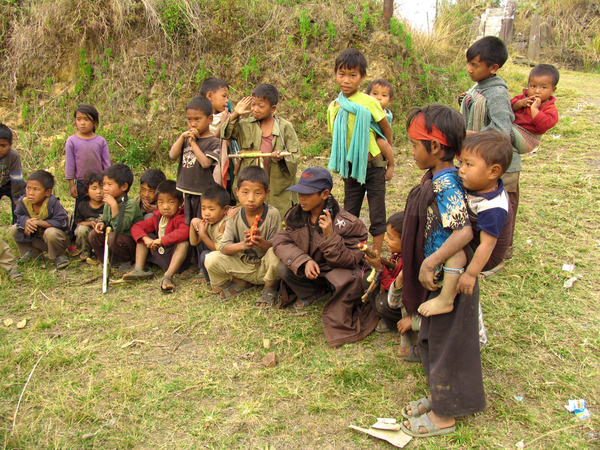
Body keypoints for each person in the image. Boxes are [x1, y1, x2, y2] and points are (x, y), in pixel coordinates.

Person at [400, 104, 485, 438]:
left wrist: (430, 261)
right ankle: (439, 397)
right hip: (438, 279)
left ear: (434, 147)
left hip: (449, 280)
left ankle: (444, 416)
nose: (410, 151)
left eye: (413, 144)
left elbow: (463, 232)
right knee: (434, 339)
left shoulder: (446, 183)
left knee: (449, 345)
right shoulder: (436, 177)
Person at [273, 167, 378, 347]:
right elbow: (281, 241)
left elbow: (350, 261)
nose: (301, 198)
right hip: (314, 272)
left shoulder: (351, 224)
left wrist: (331, 236)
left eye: (307, 193)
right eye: (299, 193)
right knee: (284, 268)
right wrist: (304, 260)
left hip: (335, 271)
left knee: (349, 278)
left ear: (325, 194)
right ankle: (315, 293)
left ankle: (334, 296)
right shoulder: (296, 215)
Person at [327, 49, 394, 254]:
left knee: (377, 211)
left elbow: (385, 128)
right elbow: (336, 136)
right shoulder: (334, 106)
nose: (346, 80)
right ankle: (351, 247)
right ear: (336, 74)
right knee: (350, 210)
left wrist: (387, 154)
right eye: (342, 74)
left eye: (353, 75)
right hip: (350, 167)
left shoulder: (370, 102)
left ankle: (376, 249)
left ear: (363, 77)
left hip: (373, 167)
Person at [459, 36, 519, 263]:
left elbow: (502, 130)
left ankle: (498, 255)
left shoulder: (496, 93)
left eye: (475, 64)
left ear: (493, 67)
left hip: (499, 164)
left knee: (503, 212)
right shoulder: (480, 87)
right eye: (469, 63)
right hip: (480, 161)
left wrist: (466, 135)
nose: (469, 69)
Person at [205, 166, 282, 308]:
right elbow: (224, 248)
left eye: (257, 193)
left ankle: (270, 287)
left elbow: (277, 247)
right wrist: (243, 245)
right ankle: (241, 282)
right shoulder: (233, 215)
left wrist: (261, 243)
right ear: (237, 192)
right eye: (245, 192)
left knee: (276, 253)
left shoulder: (272, 214)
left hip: (266, 268)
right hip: (244, 266)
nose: (251, 199)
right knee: (211, 259)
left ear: (267, 194)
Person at [221, 83, 300, 218]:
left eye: (261, 106)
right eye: (253, 104)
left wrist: (281, 157)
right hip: (252, 183)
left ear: (272, 108)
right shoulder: (245, 125)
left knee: (277, 218)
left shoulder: (284, 127)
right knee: (251, 215)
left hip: (277, 185)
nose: (255, 109)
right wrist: (235, 114)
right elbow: (225, 133)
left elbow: (294, 155)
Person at [457, 129, 514, 286]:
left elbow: (487, 244)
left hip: (486, 254)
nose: (461, 169)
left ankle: (446, 298)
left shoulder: (493, 207)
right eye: (461, 162)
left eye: (469, 164)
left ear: (493, 171)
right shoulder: (480, 185)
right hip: (475, 238)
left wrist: (470, 274)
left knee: (454, 256)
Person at [125, 180, 191, 293]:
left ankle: (168, 276)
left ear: (181, 202)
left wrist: (162, 240)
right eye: (161, 203)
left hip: (176, 260)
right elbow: (137, 227)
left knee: (183, 243)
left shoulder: (181, 218)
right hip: (160, 255)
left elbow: (185, 232)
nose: (165, 207)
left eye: (170, 202)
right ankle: (139, 268)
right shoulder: (157, 217)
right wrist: (146, 239)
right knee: (144, 235)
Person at [169, 96, 221, 225]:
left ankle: (202, 245)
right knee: (188, 223)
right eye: (189, 119)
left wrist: (193, 143)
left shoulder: (213, 142)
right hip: (187, 190)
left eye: (197, 119)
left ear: (209, 119)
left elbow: (205, 163)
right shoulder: (185, 138)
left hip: (203, 193)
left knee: (202, 223)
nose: (192, 124)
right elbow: (172, 155)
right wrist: (182, 137)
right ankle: (191, 245)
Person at [87, 163, 144, 275]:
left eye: (109, 184)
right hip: (117, 242)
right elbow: (106, 219)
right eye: (104, 184)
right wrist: (102, 223)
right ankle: (108, 261)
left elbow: (121, 228)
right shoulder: (110, 200)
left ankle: (126, 262)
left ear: (124, 187)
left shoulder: (130, 204)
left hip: (131, 244)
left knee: (113, 236)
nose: (105, 188)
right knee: (93, 234)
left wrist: (114, 206)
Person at [10, 170, 71, 270]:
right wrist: (25, 222)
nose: (30, 193)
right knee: (15, 229)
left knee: (51, 232)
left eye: (36, 189)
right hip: (35, 239)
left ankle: (58, 255)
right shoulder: (23, 202)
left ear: (47, 192)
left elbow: (62, 222)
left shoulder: (52, 203)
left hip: (55, 241)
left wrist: (39, 223)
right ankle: (33, 253)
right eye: (28, 188)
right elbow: (18, 216)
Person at [65, 104, 110, 227]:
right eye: (79, 119)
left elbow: (106, 164)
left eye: (86, 119)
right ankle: (75, 234)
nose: (82, 123)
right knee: (80, 207)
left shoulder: (100, 141)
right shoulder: (72, 141)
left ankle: (100, 227)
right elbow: (69, 164)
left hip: (98, 182)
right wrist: (71, 184)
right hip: (80, 182)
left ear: (95, 122)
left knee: (100, 205)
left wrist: (106, 182)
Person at [189, 184, 237, 284]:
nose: (206, 213)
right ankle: (204, 271)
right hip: (217, 253)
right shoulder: (210, 221)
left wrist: (203, 235)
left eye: (211, 209)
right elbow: (194, 242)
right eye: (203, 208)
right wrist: (193, 223)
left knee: (204, 255)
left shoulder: (224, 224)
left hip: (227, 258)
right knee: (202, 244)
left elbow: (221, 249)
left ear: (225, 210)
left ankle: (219, 281)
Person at [200, 77, 237, 201]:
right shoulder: (199, 118)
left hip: (227, 167)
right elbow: (211, 140)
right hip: (207, 168)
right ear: (210, 95)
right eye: (224, 96)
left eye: (227, 97)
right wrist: (223, 123)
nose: (227, 101)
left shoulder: (227, 113)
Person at [511, 64, 560, 153]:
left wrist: (534, 109)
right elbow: (508, 107)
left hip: (528, 138)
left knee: (501, 133)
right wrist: (520, 103)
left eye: (543, 87)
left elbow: (544, 125)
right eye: (533, 86)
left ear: (553, 90)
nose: (537, 91)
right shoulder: (523, 98)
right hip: (514, 129)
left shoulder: (550, 108)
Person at [73, 172, 104, 261]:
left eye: (101, 188)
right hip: (89, 230)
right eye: (94, 188)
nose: (99, 192)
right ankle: (86, 250)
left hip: (102, 233)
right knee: (81, 229)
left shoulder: (108, 205)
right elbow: (78, 222)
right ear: (87, 191)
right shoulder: (83, 206)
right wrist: (89, 223)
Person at [0, 124, 24, 224]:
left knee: (19, 201)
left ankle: (17, 225)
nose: (0, 149)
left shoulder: (13, 156)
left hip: (10, 183)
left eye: (3, 145)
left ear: (10, 145)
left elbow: (16, 178)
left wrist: (16, 197)